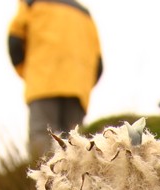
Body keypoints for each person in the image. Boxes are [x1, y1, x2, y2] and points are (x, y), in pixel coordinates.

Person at [8, 0, 103, 158]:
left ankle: (42, 180)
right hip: (77, 88)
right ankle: (78, 181)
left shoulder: (32, 3)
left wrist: (27, 72)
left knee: (42, 135)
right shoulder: (84, 13)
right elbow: (99, 65)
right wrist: (83, 84)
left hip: (43, 81)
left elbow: (15, 41)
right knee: (76, 141)